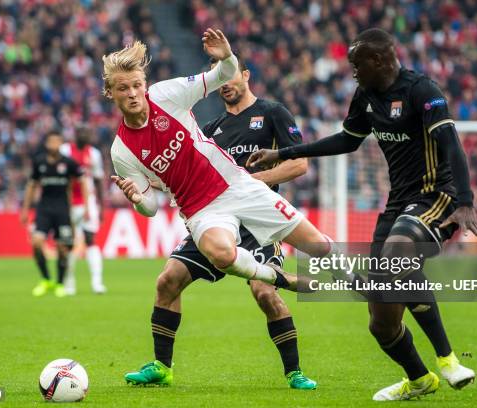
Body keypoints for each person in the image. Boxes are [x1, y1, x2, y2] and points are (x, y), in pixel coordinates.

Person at [247, 28, 477, 401]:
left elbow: (451, 145)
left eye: (357, 64)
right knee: (381, 323)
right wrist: (284, 153)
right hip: (396, 203)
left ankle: (448, 360)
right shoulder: (366, 96)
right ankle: (420, 380)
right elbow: (347, 139)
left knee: (397, 257)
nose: (353, 72)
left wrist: (466, 200)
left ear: (379, 60)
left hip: (435, 195)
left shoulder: (421, 91)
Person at [104, 29, 332, 384]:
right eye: (123, 88)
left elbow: (221, 74)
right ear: (111, 93)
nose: (133, 94)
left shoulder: (166, 94)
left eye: (136, 85)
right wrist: (137, 199)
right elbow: (151, 205)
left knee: (321, 247)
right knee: (174, 278)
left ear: (144, 84)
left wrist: (226, 57)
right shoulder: (122, 151)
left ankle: (369, 285)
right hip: (201, 211)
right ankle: (163, 368)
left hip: (240, 187)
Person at [20, 131, 89, 298]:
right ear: (46, 143)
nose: (54, 145)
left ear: (61, 143)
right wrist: (25, 209)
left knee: (63, 248)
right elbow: (31, 186)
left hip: (62, 210)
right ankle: (45, 280)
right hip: (43, 209)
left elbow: (82, 180)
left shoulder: (68, 163)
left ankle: (59, 283)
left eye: (58, 141)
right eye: (51, 141)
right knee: (36, 243)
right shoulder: (39, 162)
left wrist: (86, 206)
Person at [60, 125, 107, 295]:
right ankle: (69, 283)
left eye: (89, 132)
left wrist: (101, 207)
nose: (87, 135)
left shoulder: (93, 154)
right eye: (83, 132)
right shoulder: (64, 150)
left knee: (90, 239)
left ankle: (97, 283)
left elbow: (98, 181)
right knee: (68, 242)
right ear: (76, 134)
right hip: (67, 202)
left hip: (88, 202)